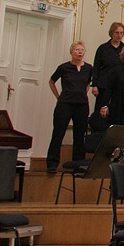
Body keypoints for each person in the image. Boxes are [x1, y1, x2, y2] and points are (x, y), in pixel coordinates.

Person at [46, 42, 95, 173]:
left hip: (82, 104)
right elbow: (51, 82)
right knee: (58, 133)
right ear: (71, 52)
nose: (79, 52)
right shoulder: (64, 67)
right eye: (77, 50)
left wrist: (83, 93)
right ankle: (52, 163)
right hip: (65, 103)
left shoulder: (89, 68)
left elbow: (89, 83)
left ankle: (77, 164)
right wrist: (58, 96)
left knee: (79, 135)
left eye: (82, 50)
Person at [91, 21, 124, 106]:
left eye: (121, 33)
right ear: (112, 33)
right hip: (104, 84)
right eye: (117, 33)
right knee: (102, 107)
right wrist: (94, 85)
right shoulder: (103, 48)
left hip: (120, 83)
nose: (119, 35)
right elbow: (96, 67)